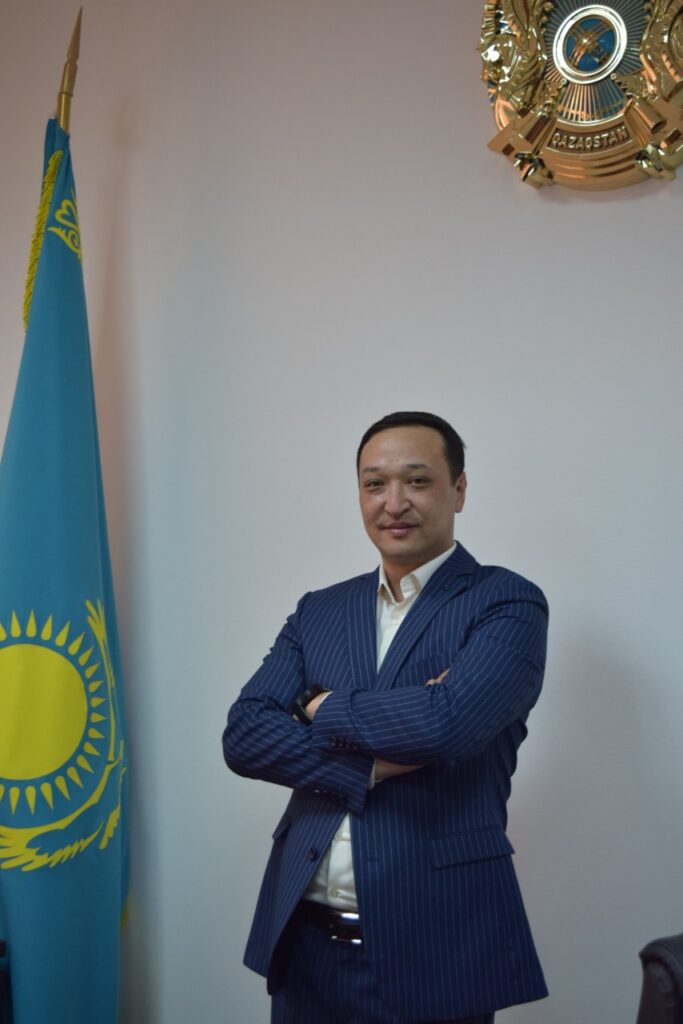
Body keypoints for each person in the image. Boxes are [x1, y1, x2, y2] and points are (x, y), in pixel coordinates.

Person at [223, 411, 549, 1024]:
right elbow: (244, 735)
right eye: (375, 484)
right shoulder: (319, 611)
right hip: (305, 943)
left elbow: (447, 724)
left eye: (417, 481)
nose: (393, 503)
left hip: (437, 944)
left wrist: (318, 706)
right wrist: (368, 765)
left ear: (458, 489)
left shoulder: (506, 602)